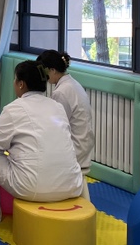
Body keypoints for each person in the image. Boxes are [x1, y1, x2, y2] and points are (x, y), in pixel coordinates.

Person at [0, 60, 83, 222]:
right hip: (72, 185)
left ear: (21, 84)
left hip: (33, 187)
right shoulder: (57, 107)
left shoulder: (14, 109)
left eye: (15, 79)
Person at [36, 49, 95, 199]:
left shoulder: (61, 92)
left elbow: (56, 127)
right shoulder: (72, 83)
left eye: (44, 71)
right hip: (84, 142)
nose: (43, 77)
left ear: (52, 70)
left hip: (76, 148)